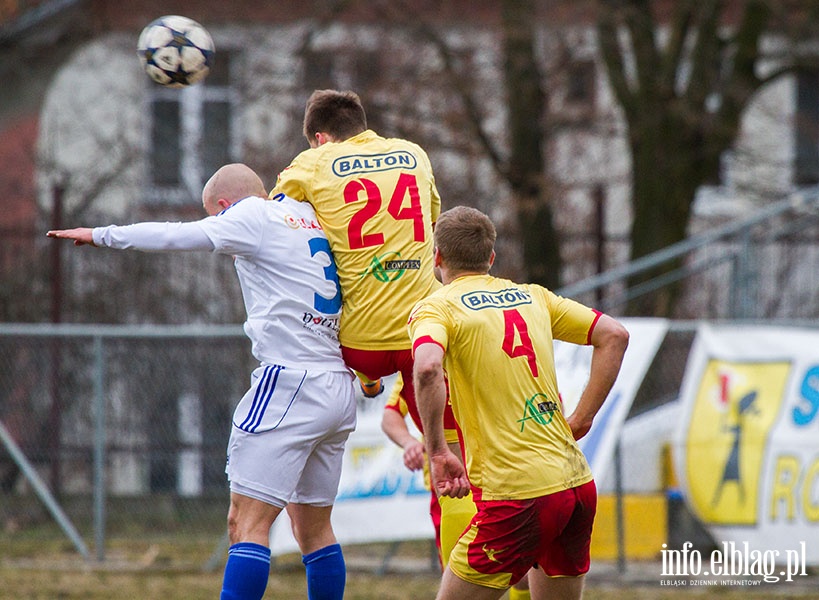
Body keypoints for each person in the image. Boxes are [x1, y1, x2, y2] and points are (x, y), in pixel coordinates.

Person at [47, 163, 356, 600]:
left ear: (225, 208)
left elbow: (177, 234)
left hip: (291, 383)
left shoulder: (251, 216)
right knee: (315, 528)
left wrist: (102, 234)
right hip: (336, 384)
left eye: (217, 216)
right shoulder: (309, 215)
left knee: (244, 523)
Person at [409, 206, 629, 600]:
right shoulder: (534, 298)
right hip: (576, 483)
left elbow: (426, 368)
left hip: (516, 495)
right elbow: (614, 334)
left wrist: (437, 449)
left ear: (437, 257)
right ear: (491, 258)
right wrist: (581, 418)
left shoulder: (438, 307)